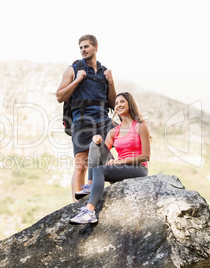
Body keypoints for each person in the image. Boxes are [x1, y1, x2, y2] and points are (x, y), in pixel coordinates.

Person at [70, 92, 151, 224]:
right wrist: (97, 140)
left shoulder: (140, 127)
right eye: (116, 103)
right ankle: (90, 186)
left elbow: (146, 156)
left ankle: (89, 211)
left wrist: (121, 161)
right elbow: (100, 152)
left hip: (138, 169)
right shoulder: (114, 131)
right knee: (94, 144)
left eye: (122, 102)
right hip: (120, 169)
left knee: (99, 171)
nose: (118, 105)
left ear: (130, 103)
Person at [56, 34, 117, 202]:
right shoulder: (73, 69)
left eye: (86, 46)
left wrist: (111, 82)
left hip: (103, 119)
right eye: (81, 47)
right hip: (82, 120)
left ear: (96, 47)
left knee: (124, 135)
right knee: (81, 164)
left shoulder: (104, 72)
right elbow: (60, 96)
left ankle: (129, 178)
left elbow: (113, 102)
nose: (83, 50)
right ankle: (77, 204)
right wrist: (77, 80)